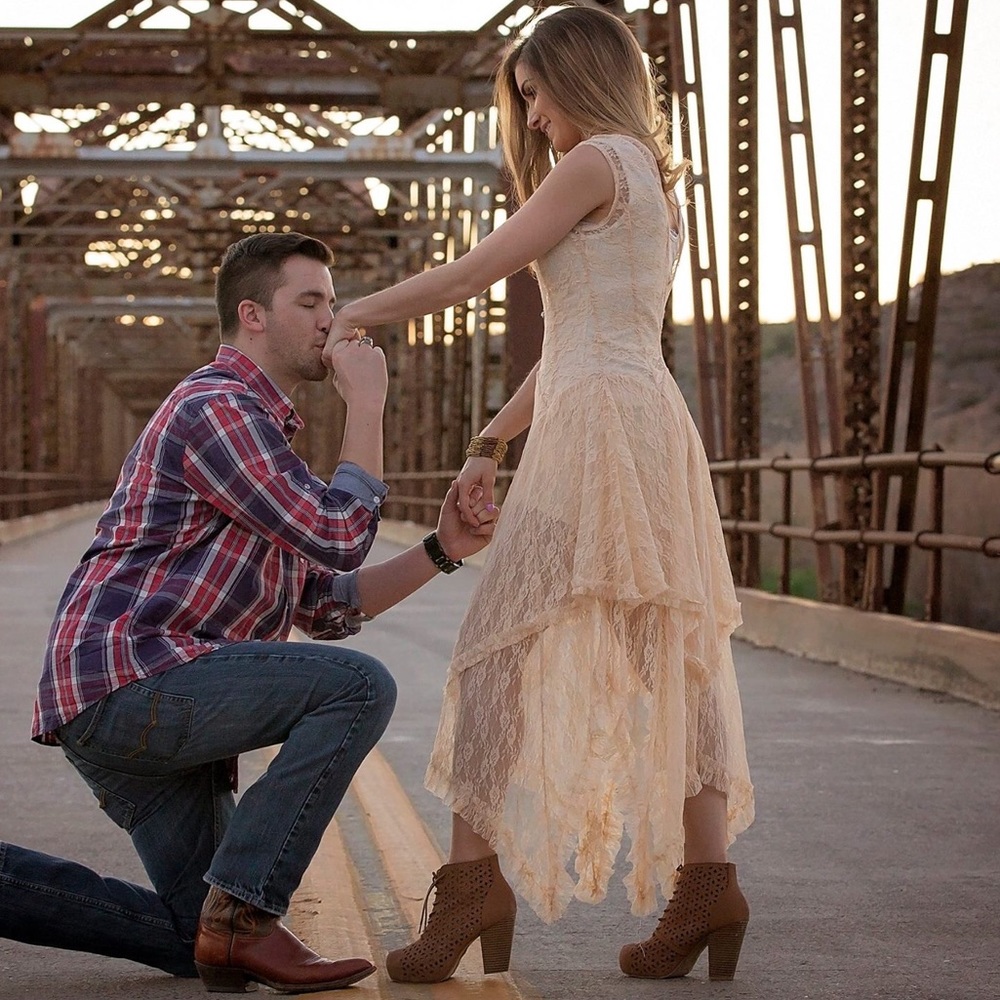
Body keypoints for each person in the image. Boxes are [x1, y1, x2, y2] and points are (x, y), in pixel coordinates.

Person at [321, 3, 755, 984]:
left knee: (488, 651)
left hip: (600, 430)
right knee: (670, 658)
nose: (531, 116)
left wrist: (364, 308)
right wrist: (489, 438)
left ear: (581, 76)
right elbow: (580, 339)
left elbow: (484, 267)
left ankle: (473, 887)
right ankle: (706, 882)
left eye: (534, 93)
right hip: (633, 419)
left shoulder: (594, 159)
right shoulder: (647, 177)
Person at [0, 231, 497, 994]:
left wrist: (442, 548)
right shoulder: (216, 408)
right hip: (134, 679)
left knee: (189, 935)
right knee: (357, 688)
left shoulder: (262, 438)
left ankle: (223, 922)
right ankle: (249, 912)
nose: (332, 322)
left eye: (332, 303)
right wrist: (368, 402)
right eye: (310, 303)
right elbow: (337, 535)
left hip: (131, 700)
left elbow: (328, 606)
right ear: (251, 315)